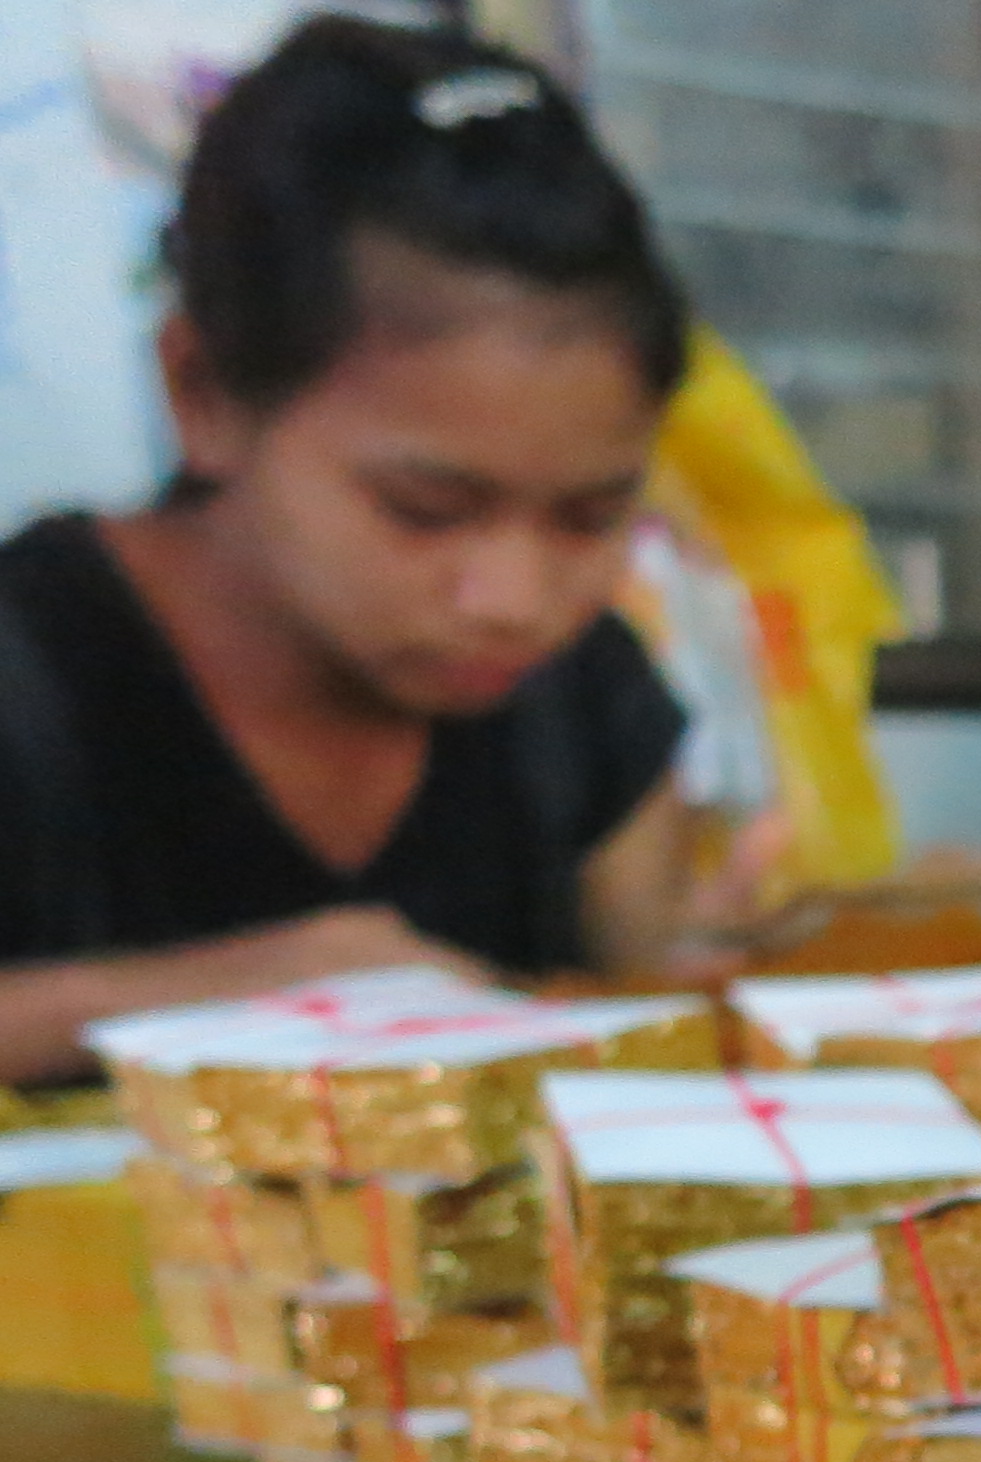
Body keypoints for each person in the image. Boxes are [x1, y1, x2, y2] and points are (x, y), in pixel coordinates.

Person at [0, 16, 710, 1083]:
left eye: (589, 516)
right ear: (205, 394)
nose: (515, 600)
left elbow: (648, 1027)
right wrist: (232, 989)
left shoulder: (582, 700)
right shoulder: (31, 679)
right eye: (426, 509)